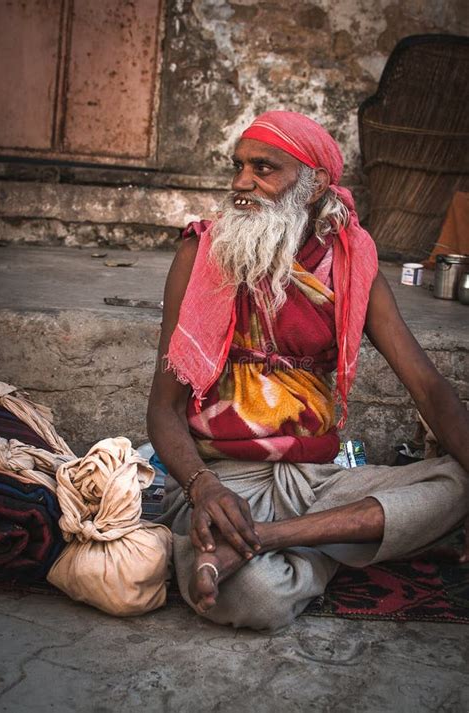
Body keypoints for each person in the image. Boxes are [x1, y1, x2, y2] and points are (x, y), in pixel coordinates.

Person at [147, 111, 469, 631]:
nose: (240, 184)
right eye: (238, 166)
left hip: (317, 478)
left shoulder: (349, 262)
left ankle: (273, 540)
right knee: (259, 600)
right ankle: (326, 542)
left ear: (315, 182)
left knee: (458, 480)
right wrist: (203, 488)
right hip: (227, 479)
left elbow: (429, 389)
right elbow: (162, 409)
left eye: (263, 168)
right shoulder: (201, 252)